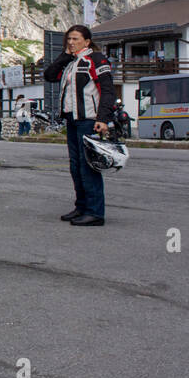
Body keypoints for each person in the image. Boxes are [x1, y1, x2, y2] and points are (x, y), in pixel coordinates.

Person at [43, 23, 115, 227]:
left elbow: (108, 90)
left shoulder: (96, 60)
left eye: (75, 39)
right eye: (69, 39)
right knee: (75, 166)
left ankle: (95, 212)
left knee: (88, 166)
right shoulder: (71, 62)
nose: (71, 42)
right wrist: (65, 55)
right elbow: (49, 75)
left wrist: (103, 118)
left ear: (87, 41)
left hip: (89, 121)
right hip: (72, 120)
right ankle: (82, 206)